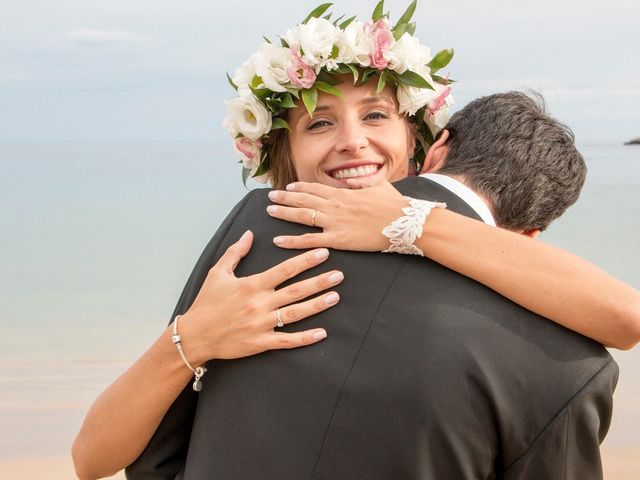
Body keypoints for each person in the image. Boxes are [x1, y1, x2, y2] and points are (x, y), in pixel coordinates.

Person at [71, 3, 638, 479]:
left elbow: (156, 463)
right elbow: (100, 455)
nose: (353, 143)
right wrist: (189, 340)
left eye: (375, 116)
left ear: (427, 147)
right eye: (319, 123)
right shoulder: (566, 361)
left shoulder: (260, 225)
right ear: (282, 152)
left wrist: (410, 221)